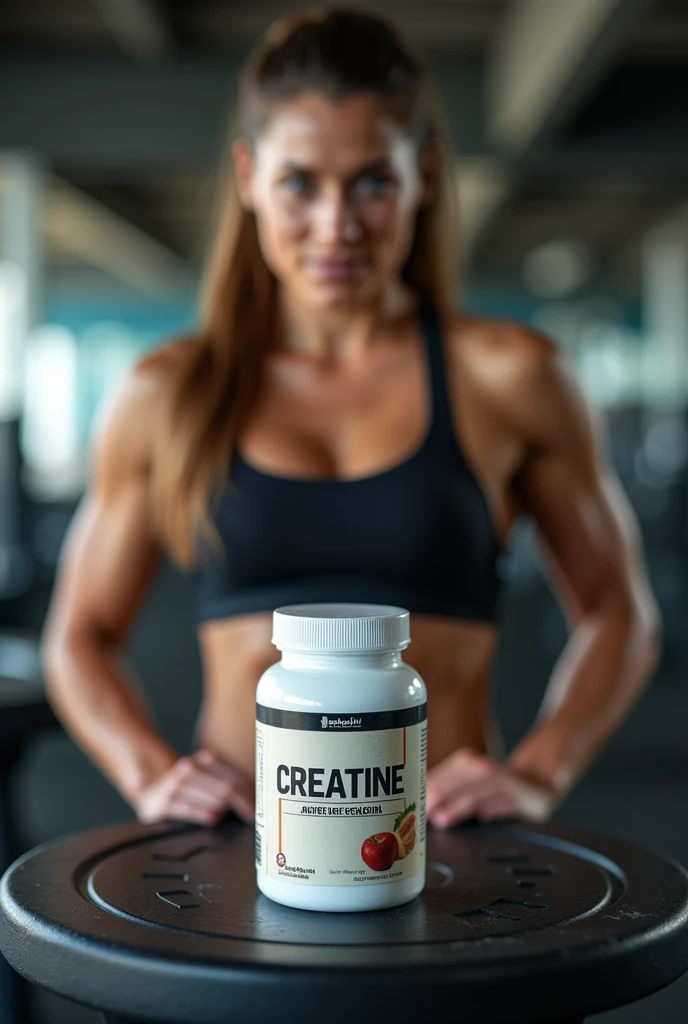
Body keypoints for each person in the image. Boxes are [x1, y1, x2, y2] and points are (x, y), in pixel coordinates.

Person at [42, 7, 660, 832]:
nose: (336, 226)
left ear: (426, 176)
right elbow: (78, 634)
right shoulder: (169, 391)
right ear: (249, 176)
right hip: (239, 838)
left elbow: (620, 612)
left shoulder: (512, 377)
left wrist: (541, 771)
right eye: (300, 183)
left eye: (373, 181)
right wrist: (147, 771)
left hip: (450, 843)